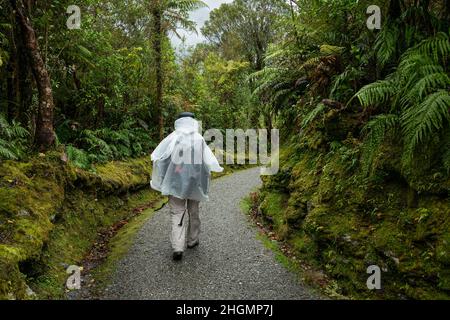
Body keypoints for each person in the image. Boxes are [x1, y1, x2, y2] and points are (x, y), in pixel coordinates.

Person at [150, 112, 223, 261]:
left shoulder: (171, 138)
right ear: (192, 122)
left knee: (177, 212)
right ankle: (192, 240)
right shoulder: (199, 139)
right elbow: (206, 164)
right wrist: (203, 182)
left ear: (179, 122)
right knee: (193, 211)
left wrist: (165, 180)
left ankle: (178, 247)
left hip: (175, 183)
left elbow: (161, 159)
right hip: (194, 184)